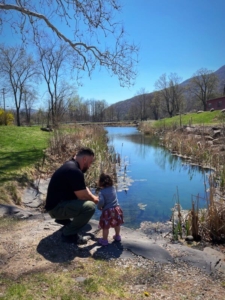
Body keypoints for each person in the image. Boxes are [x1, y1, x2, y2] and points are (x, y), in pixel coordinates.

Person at [44, 147, 99, 244]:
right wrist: (95, 200)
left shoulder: (70, 165)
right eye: (90, 162)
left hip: (54, 205)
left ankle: (64, 220)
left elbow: (83, 188)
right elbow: (83, 196)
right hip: (56, 209)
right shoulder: (75, 171)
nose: (90, 166)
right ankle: (68, 233)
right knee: (90, 207)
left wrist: (92, 196)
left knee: (85, 203)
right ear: (85, 159)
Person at [97, 173, 124, 246]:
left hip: (107, 211)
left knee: (105, 226)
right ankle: (117, 236)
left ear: (100, 182)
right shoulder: (113, 188)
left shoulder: (101, 192)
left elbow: (101, 201)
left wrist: (99, 207)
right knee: (117, 224)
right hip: (116, 209)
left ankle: (105, 240)